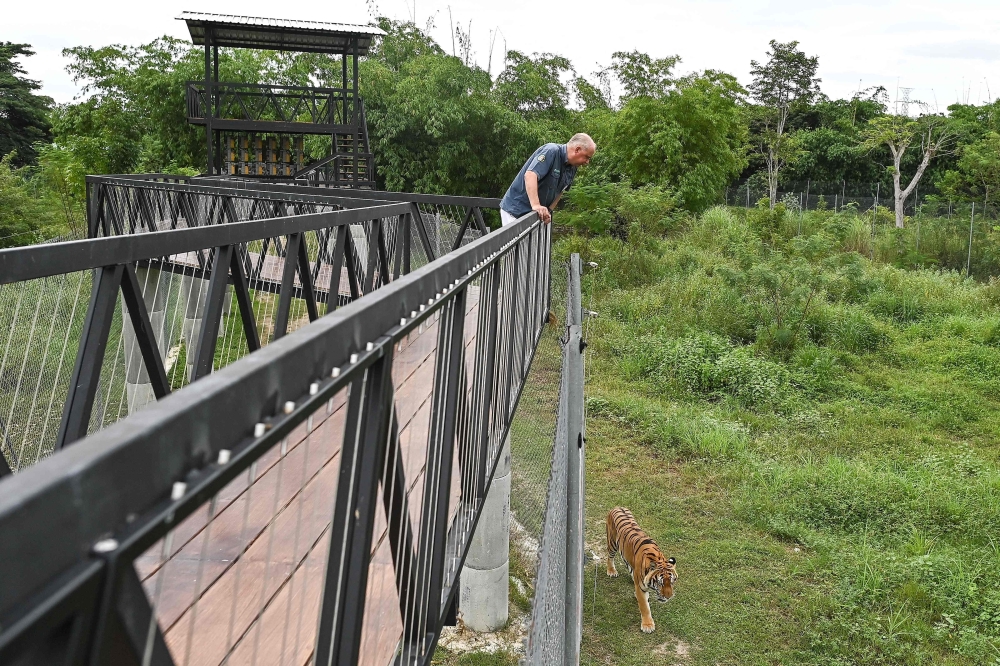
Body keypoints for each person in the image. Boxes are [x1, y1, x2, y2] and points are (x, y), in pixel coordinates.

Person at [499, 133, 596, 226]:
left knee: (533, 244)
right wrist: (536, 206)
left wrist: (549, 211)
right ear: (577, 150)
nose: (587, 162)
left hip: (534, 216)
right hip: (516, 210)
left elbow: (561, 191)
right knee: (518, 243)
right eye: (586, 157)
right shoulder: (551, 151)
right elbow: (530, 175)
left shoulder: (573, 167)